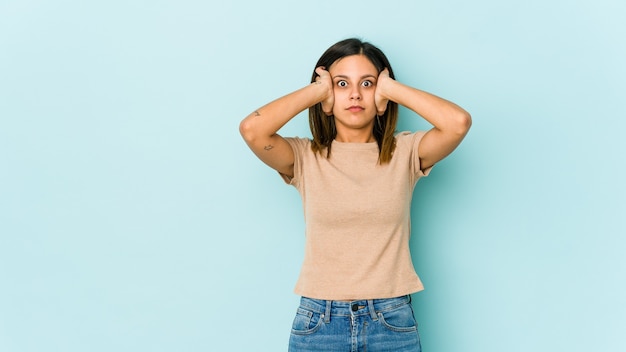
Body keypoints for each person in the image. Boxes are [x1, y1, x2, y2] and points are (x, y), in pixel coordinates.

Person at [239, 38, 471, 352]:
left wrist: (390, 89)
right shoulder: (304, 157)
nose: (354, 94)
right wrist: (319, 92)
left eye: (367, 83)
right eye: (341, 84)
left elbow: (457, 123)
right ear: (326, 98)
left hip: (391, 320)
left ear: (383, 96)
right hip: (319, 321)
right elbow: (253, 130)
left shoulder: (406, 151)